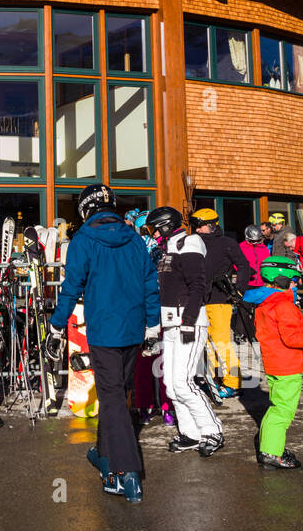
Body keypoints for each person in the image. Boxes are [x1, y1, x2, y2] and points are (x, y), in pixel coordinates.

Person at [46, 184, 159, 502]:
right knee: (118, 395)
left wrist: (56, 327)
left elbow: (71, 287)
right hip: (133, 330)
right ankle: (103, 452)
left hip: (105, 332)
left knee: (110, 399)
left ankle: (127, 473)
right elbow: (150, 281)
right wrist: (152, 326)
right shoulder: (135, 238)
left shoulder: (83, 240)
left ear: (85, 209)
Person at [145, 205, 223, 457]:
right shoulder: (165, 249)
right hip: (170, 323)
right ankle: (190, 433)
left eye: (154, 229)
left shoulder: (188, 242)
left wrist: (189, 318)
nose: (153, 234)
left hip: (188, 322)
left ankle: (212, 431)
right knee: (171, 383)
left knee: (184, 382)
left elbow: (198, 284)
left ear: (166, 225)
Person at [254, 255, 303, 469]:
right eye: (293, 280)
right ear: (281, 279)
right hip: (287, 365)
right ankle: (271, 453)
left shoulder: (264, 302)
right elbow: (292, 339)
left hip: (273, 362)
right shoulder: (283, 305)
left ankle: (270, 445)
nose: (295, 284)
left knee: (275, 406)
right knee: (283, 410)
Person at [189, 208, 251, 397]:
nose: (197, 230)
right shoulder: (193, 243)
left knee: (221, 341)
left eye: (200, 226)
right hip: (199, 299)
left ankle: (234, 381)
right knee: (206, 342)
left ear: (211, 225)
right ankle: (216, 377)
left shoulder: (225, 243)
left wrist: (239, 288)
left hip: (220, 298)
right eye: (195, 226)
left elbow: (243, 265)